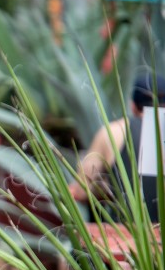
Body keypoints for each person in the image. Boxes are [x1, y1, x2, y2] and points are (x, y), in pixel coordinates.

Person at [70, 73, 163, 222]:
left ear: (132, 106)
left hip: (125, 238)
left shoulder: (114, 132)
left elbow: (81, 191)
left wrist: (107, 187)